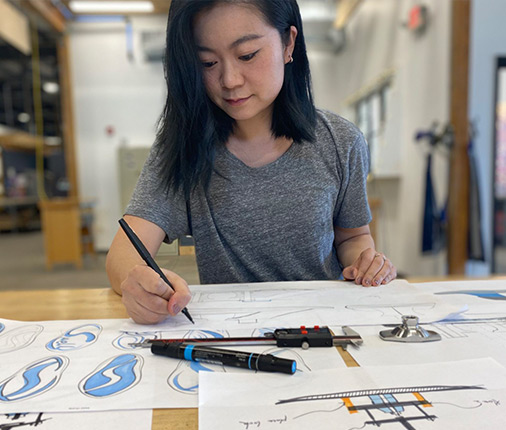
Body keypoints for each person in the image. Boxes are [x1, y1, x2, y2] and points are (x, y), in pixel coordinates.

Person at [106, 0, 397, 325]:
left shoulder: (340, 141)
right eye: (207, 62)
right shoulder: (181, 148)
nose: (229, 80)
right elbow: (124, 252)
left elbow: (352, 237)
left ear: (289, 43)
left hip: (325, 331)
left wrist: (365, 263)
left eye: (247, 55)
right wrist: (135, 283)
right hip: (233, 336)